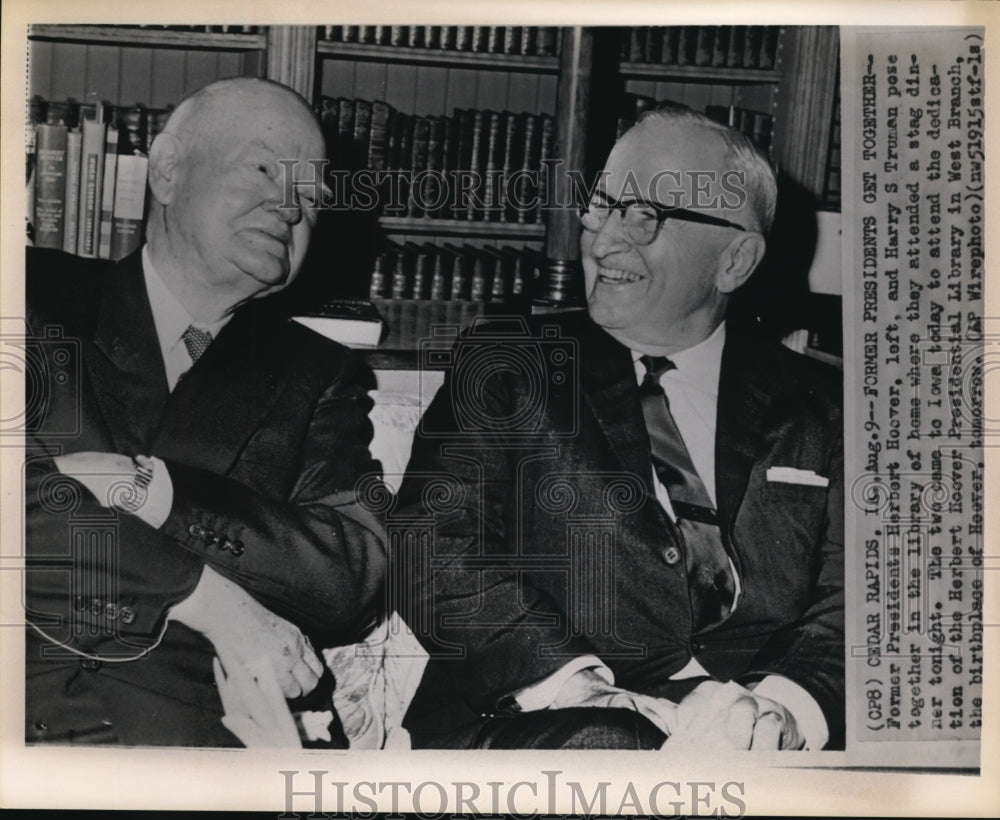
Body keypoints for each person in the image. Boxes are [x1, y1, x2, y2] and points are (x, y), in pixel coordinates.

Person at [396, 107, 844, 751]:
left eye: (643, 217)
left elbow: (859, 599)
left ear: (735, 261)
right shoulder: (510, 364)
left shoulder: (824, 403)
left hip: (756, 736)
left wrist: (780, 713)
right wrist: (574, 685)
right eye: (601, 207)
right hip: (546, 722)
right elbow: (432, 541)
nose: (603, 239)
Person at [24, 77, 385, 747]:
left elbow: (351, 574)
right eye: (264, 169)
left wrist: (157, 493)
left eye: (310, 197)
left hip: (197, 737)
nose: (289, 206)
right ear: (165, 171)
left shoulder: (317, 374)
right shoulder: (30, 293)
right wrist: (211, 600)